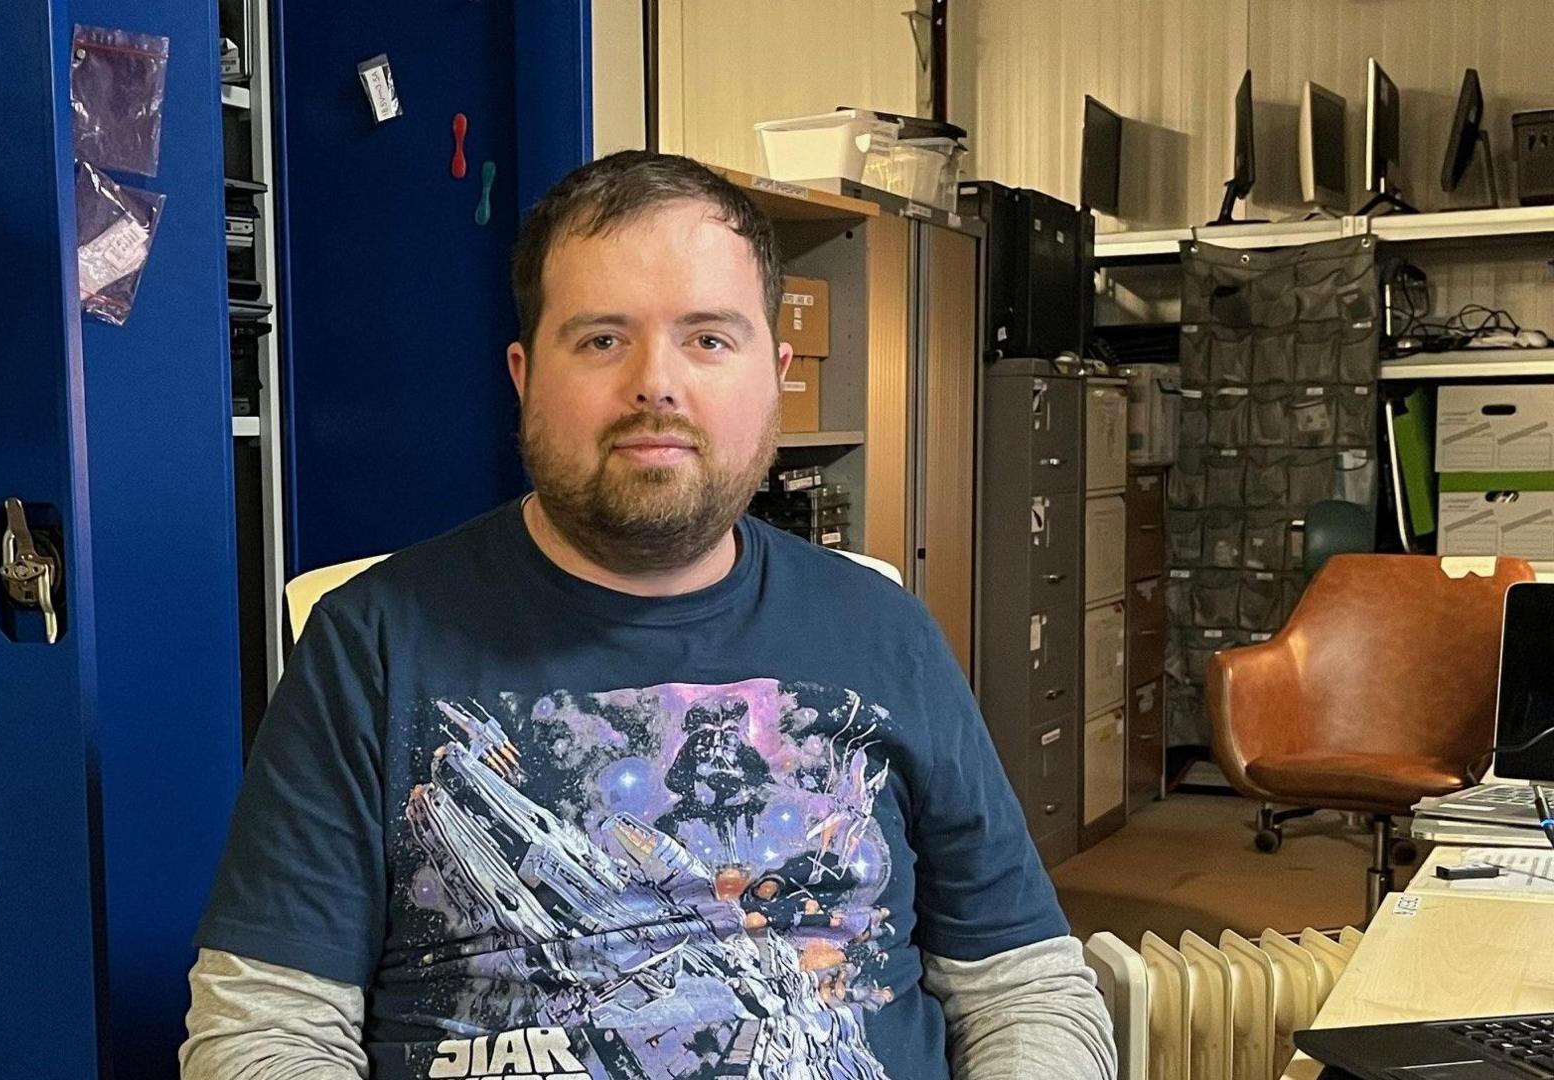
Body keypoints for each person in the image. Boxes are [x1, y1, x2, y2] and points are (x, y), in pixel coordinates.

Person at [181, 150, 1114, 1080]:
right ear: (523, 375)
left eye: (709, 339)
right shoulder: (372, 644)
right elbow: (271, 1030)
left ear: (776, 374)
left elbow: (1024, 990)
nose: (655, 384)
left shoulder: (889, 636)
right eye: (600, 340)